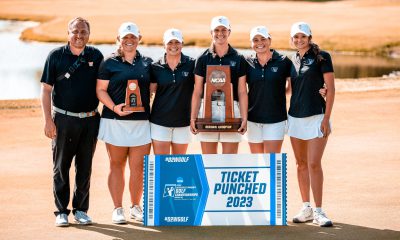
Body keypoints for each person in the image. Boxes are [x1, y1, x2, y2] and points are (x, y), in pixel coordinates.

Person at [40, 17, 103, 227]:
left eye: (83, 32)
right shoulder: (56, 56)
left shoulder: (96, 55)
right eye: (75, 31)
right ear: (68, 33)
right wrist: (48, 120)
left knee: (85, 168)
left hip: (90, 119)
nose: (79, 36)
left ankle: (81, 210)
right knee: (61, 167)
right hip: (63, 119)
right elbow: (46, 90)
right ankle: (61, 211)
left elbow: (104, 86)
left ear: (89, 34)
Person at [96, 22, 152, 224]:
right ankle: (117, 208)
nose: (129, 40)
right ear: (118, 39)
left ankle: (135, 207)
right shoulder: (108, 62)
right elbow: (101, 90)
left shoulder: (147, 62)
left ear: (139, 38)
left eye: (133, 37)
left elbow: (153, 89)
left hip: (141, 122)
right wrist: (114, 107)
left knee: (138, 168)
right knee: (116, 164)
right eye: (125, 37)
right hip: (115, 121)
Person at [288, 22, 335, 227]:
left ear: (309, 37)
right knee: (301, 164)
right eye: (296, 37)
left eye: (303, 36)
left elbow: (331, 89)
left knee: (314, 164)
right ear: (292, 39)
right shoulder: (291, 60)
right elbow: (290, 89)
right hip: (295, 118)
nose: (299, 40)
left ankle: (319, 211)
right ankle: (306, 208)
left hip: (317, 116)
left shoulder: (322, 56)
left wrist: (326, 118)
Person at [190, 16, 248, 154]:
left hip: (232, 109)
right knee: (209, 161)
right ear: (211, 32)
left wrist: (244, 118)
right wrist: (193, 117)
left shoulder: (239, 58)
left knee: (229, 161)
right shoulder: (202, 58)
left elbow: (242, 92)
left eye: (224, 30)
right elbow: (197, 91)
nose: (220, 33)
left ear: (229, 32)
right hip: (207, 109)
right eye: (216, 30)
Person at [245, 26, 292, 153]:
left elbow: (293, 86)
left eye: (263, 39)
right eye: (255, 40)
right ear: (251, 43)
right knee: (257, 162)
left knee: (271, 161)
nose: (260, 43)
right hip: (253, 119)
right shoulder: (247, 62)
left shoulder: (283, 61)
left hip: (275, 119)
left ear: (269, 40)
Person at [150, 29, 195, 154]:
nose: (173, 46)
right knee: (162, 164)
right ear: (164, 44)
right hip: (159, 122)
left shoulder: (192, 64)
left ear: (182, 43)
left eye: (177, 42)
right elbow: (150, 92)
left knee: (178, 165)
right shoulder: (155, 66)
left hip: (183, 122)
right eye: (170, 42)